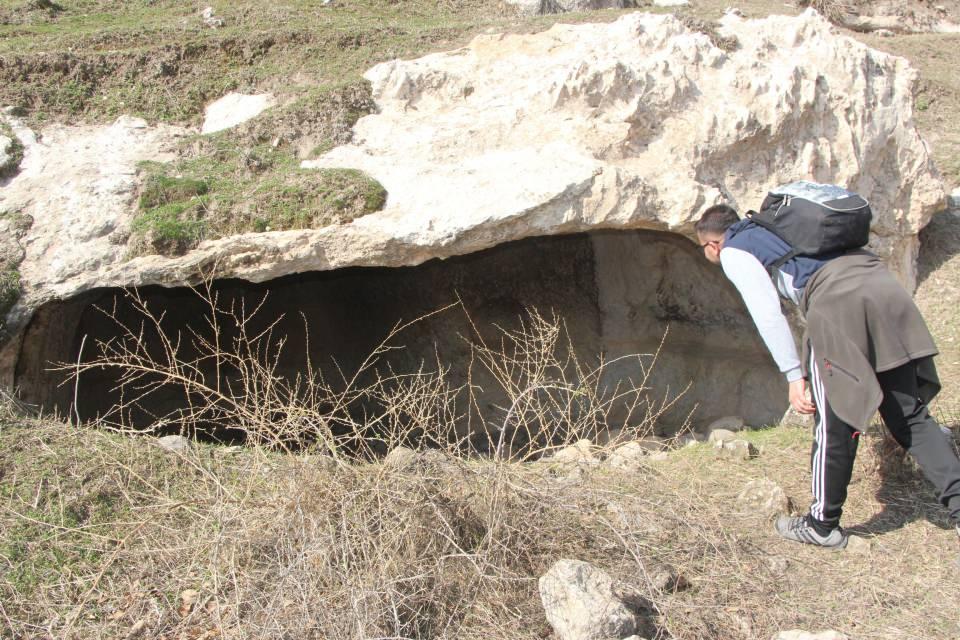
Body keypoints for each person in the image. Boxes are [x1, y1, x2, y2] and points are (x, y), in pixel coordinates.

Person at [695, 202, 960, 549]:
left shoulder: (734, 250)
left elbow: (767, 313)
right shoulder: (776, 228)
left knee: (835, 420)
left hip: (837, 304)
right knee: (908, 414)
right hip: (879, 283)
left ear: (712, 243)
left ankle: (822, 525)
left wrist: (793, 375)